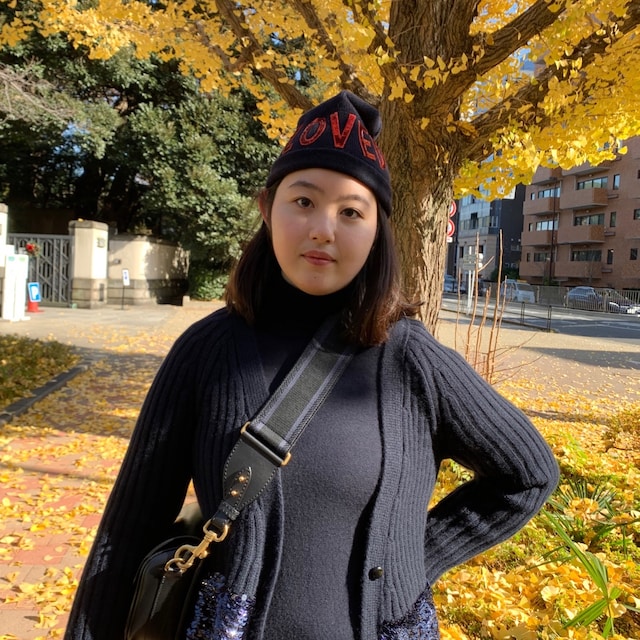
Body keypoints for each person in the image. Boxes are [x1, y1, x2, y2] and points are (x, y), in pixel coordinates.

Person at [64, 91, 559, 640]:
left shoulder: (412, 361)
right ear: (267, 208)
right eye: (303, 201)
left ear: (377, 231)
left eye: (351, 212)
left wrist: (410, 560)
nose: (324, 228)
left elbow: (528, 475)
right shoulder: (206, 351)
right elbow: (126, 533)